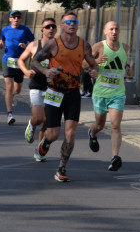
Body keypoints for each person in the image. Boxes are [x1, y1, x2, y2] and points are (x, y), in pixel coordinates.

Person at [31, 11, 98, 182]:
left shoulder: (84, 45)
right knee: (53, 134)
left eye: (74, 22)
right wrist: (46, 71)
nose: (71, 24)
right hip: (54, 91)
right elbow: (34, 61)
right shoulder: (53, 44)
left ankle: (61, 168)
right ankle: (45, 142)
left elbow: (93, 64)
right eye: (68, 22)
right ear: (62, 26)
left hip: (73, 93)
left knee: (70, 133)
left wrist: (93, 71)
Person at [88, 20, 132, 172]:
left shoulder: (125, 48)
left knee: (115, 125)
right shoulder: (98, 47)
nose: (114, 32)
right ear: (105, 32)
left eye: (117, 29)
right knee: (100, 125)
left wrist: (128, 69)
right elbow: (82, 63)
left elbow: (125, 64)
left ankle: (115, 157)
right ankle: (92, 132)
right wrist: (95, 61)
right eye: (111, 29)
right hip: (100, 93)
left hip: (117, 93)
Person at [18, 17, 56, 158]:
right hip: (36, 86)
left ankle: (40, 151)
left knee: (47, 122)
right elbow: (21, 60)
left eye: (53, 26)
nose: (51, 29)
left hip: (52, 88)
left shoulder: (58, 48)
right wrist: (27, 72)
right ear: (42, 30)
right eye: (48, 26)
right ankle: (32, 124)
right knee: (39, 118)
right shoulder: (34, 45)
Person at [0, 10, 35, 125]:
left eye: (18, 17)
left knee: (17, 90)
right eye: (14, 17)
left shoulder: (25, 30)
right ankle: (9, 114)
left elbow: (34, 44)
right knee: (9, 85)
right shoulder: (4, 30)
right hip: (7, 61)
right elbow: (1, 42)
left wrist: (26, 46)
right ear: (10, 19)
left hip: (20, 62)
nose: (16, 19)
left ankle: (11, 96)